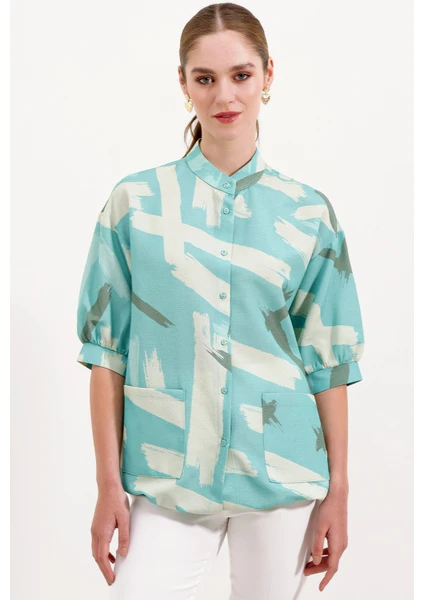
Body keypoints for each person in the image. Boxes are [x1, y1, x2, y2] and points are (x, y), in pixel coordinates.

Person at [75, 3, 365, 599]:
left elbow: (327, 363)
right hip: (167, 473)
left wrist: (338, 489)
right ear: (183, 83)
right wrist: (107, 485)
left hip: (283, 474)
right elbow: (107, 354)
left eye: (241, 75)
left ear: (267, 75)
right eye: (205, 78)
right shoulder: (135, 204)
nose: (224, 95)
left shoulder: (309, 213)